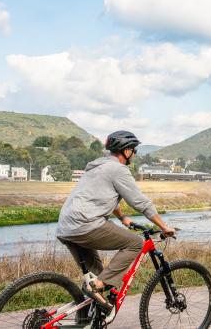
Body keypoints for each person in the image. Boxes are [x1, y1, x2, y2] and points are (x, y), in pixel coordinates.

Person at [56, 130, 175, 312]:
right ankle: (94, 287)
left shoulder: (97, 167)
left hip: (66, 227)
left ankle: (92, 314)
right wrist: (164, 226)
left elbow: (103, 196)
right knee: (135, 243)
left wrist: (122, 218)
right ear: (126, 151)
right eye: (133, 150)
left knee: (99, 272)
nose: (134, 154)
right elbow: (140, 202)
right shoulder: (118, 170)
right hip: (86, 225)